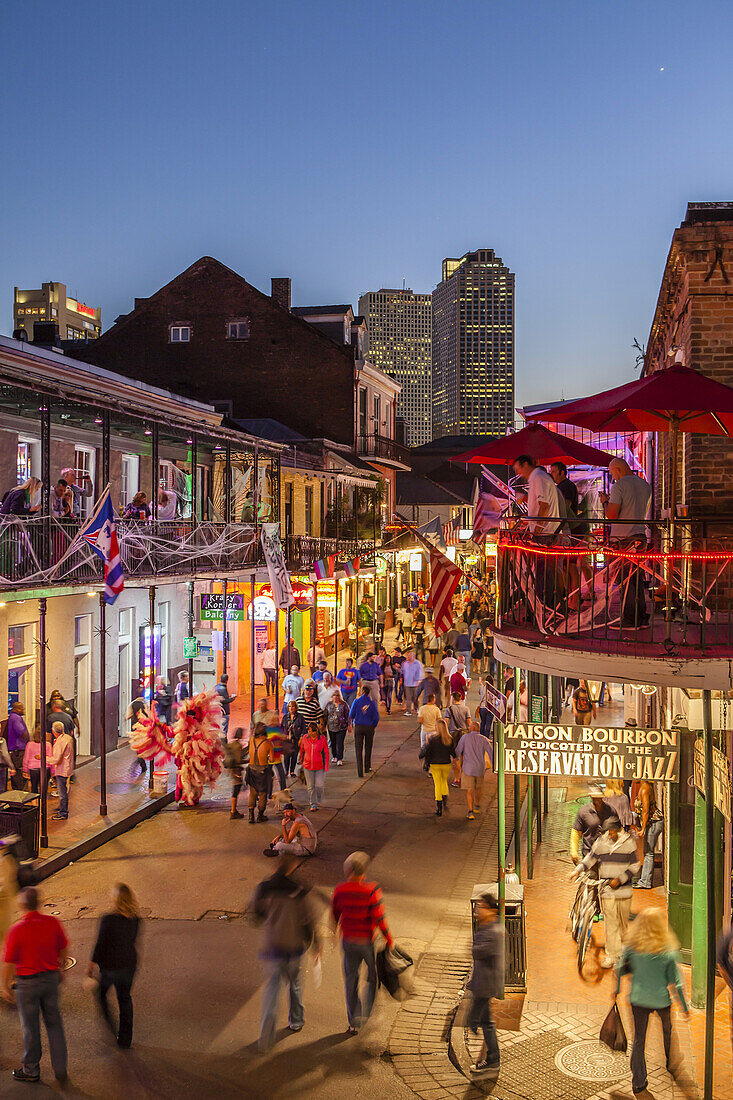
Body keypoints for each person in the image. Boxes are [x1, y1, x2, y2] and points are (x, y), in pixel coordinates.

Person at [251, 853, 321, 1051]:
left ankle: (266, 1037)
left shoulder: (263, 888)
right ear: (293, 867)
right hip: (293, 947)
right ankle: (296, 1021)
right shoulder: (298, 890)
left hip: (272, 946)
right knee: (295, 984)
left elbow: (256, 917)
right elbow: (307, 920)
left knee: (272, 991)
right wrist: (314, 943)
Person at [616, 909, 689, 1096]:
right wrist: (683, 1007)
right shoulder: (668, 951)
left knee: (639, 1040)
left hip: (638, 1000)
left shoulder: (633, 947)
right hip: (661, 1001)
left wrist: (616, 991)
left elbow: (619, 970)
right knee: (667, 1030)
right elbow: (677, 983)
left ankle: (639, 1081)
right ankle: (670, 1062)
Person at [2, 886, 68, 1084]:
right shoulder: (52, 923)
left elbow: (8, 963)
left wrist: (5, 986)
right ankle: (60, 1068)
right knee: (54, 1024)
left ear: (21, 905)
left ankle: (31, 1069)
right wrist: (61, 969)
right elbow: (63, 948)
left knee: (30, 1028)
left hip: (27, 985)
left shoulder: (17, 929)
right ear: (38, 902)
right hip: (50, 980)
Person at [332, 851, 394, 1035]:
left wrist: (336, 929)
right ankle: (367, 1012)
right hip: (367, 942)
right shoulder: (372, 890)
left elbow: (335, 914)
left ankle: (354, 1021)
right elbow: (379, 917)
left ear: (348, 870)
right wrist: (389, 938)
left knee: (351, 980)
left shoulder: (340, 890)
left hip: (349, 941)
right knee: (372, 978)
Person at [571, 815, 639, 967]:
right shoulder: (602, 841)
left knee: (621, 925)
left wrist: (620, 879)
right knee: (610, 924)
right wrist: (578, 870)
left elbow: (635, 866)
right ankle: (611, 956)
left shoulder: (628, 843)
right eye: (607, 831)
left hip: (624, 892)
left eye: (611, 831)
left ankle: (621, 954)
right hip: (606, 890)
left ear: (618, 830)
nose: (609, 834)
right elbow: (591, 858)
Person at [599, 458, 652, 627]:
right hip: (640, 536)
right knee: (637, 577)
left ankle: (630, 618)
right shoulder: (645, 485)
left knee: (625, 580)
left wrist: (605, 502)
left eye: (613, 473)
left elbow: (612, 514)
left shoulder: (619, 486)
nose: (613, 477)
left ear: (618, 469)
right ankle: (641, 616)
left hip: (623, 539)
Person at [87, 883, 141, 1049]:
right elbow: (131, 940)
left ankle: (111, 1028)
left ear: (115, 899)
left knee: (101, 994)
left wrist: (91, 964)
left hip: (111, 968)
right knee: (124, 998)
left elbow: (100, 943)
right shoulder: (136, 919)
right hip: (129, 965)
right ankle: (125, 1039)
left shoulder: (108, 919)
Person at [512, 453, 563, 607]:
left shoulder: (538, 478)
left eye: (518, 469)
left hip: (545, 532)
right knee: (545, 571)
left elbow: (544, 505)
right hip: (546, 530)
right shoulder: (538, 478)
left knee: (543, 572)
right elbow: (541, 505)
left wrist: (538, 530)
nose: (518, 474)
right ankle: (550, 604)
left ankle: (546, 606)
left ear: (525, 464)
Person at [467, 892, 503, 1075]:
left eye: (481, 907)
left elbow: (477, 952)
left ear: (491, 910)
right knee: (485, 1021)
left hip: (485, 985)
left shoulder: (492, 931)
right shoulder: (490, 927)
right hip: (483, 983)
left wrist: (473, 946)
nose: (478, 910)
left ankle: (493, 1060)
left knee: (482, 1021)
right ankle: (492, 1059)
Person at [419, 718, 456, 816]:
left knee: (437, 784)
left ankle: (439, 808)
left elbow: (425, 753)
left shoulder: (432, 739)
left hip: (435, 765)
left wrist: (426, 744)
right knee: (444, 782)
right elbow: (453, 753)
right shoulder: (449, 739)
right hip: (446, 764)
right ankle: (445, 799)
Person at [570, 784, 615, 863]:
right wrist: (574, 852)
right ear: (591, 798)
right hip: (589, 853)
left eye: (599, 798)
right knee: (591, 874)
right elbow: (576, 832)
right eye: (595, 798)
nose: (597, 800)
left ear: (602, 797)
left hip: (607, 854)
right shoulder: (584, 811)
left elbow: (618, 830)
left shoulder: (610, 810)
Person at [456, 721, 491, 819]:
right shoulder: (484, 739)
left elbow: (458, 751)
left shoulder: (465, 738)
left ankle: (470, 811)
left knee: (469, 790)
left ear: (472, 728)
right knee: (479, 787)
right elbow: (491, 753)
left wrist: (456, 759)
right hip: (480, 768)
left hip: (468, 768)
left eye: (470, 726)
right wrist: (494, 767)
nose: (468, 727)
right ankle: (477, 805)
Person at [633, 780, 664, 890]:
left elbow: (645, 810)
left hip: (654, 823)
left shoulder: (645, 788)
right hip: (652, 823)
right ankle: (644, 880)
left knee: (648, 853)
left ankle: (645, 882)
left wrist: (643, 828)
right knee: (647, 852)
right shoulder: (643, 786)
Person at [348, 684, 380, 777]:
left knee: (358, 749)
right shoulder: (372, 703)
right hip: (369, 727)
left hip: (358, 727)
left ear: (362, 691)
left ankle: (360, 771)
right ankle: (367, 767)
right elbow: (376, 717)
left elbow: (351, 714)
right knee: (368, 747)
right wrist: (373, 726)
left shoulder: (356, 701)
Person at [246, 723, 275, 824]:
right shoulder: (268, 743)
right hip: (263, 771)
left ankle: (250, 815)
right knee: (263, 794)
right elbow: (272, 759)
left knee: (252, 793)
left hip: (251, 769)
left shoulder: (251, 740)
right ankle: (260, 815)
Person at [298, 722, 329, 811]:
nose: (310, 733)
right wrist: (301, 761)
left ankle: (318, 799)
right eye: (309, 731)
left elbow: (326, 752)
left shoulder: (322, 739)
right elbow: (302, 750)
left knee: (319, 786)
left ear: (316, 731)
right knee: (310, 786)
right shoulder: (305, 738)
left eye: (312, 731)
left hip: (320, 766)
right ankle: (313, 804)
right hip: (307, 766)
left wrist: (326, 765)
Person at [48, 721, 73, 821]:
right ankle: (62, 809)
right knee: (64, 790)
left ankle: (63, 812)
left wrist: (44, 758)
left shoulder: (60, 742)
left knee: (62, 792)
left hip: (62, 769)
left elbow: (56, 759)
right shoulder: (68, 738)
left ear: (53, 731)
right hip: (67, 768)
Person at [6, 702, 29, 790]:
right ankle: (19, 792)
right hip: (18, 750)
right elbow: (21, 731)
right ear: (15, 709)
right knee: (18, 771)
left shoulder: (13, 717)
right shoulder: (15, 718)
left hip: (16, 749)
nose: (23, 710)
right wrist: (28, 741)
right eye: (20, 708)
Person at [224, 728, 246, 819]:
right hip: (236, 771)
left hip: (232, 770)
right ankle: (233, 811)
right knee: (236, 791)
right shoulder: (238, 746)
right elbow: (238, 760)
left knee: (236, 790)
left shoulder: (232, 744)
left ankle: (234, 810)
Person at [23, 729, 53, 793]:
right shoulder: (48, 745)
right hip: (45, 768)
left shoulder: (29, 744)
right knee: (44, 787)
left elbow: (26, 758)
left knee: (34, 787)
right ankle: (43, 801)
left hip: (33, 769)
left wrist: (25, 770)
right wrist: (53, 771)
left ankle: (35, 801)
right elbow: (51, 759)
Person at [325, 690, 350, 766]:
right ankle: (334, 756)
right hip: (331, 726)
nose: (336, 697)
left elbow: (347, 715)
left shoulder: (344, 705)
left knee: (340, 742)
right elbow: (325, 715)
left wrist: (349, 725)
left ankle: (340, 758)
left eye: (337, 696)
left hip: (342, 727)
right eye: (334, 696)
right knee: (333, 742)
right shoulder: (328, 705)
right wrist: (324, 725)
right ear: (332, 697)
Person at [402, 650, 424, 716]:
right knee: (408, 698)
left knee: (415, 698)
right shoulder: (404, 664)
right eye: (407, 656)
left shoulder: (418, 664)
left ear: (413, 656)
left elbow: (420, 673)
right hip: (407, 683)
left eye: (409, 656)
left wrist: (418, 681)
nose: (408, 657)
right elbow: (402, 672)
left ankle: (416, 709)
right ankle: (409, 711)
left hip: (415, 684)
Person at [215, 673, 236, 740]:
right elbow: (224, 701)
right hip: (224, 712)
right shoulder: (223, 689)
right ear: (227, 680)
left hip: (217, 711)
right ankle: (224, 743)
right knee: (224, 730)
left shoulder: (216, 687)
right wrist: (232, 699)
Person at [0, 719, 16, 792]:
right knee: (1, 788)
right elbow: (5, 754)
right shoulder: (1, 740)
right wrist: (12, 766)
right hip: (1, 766)